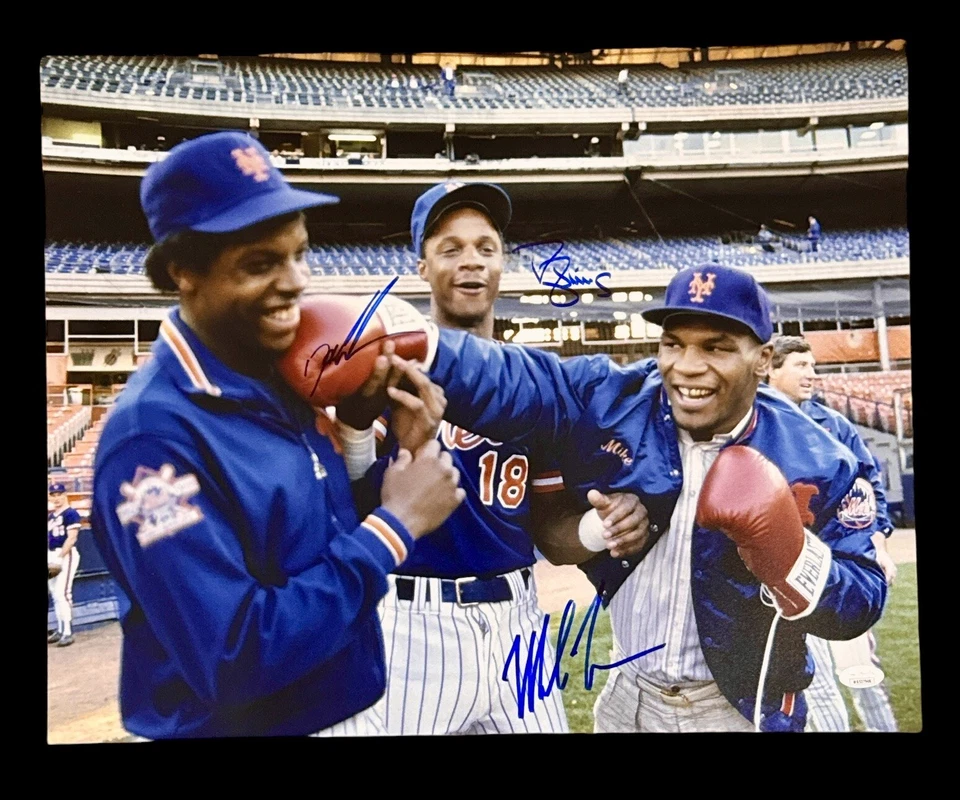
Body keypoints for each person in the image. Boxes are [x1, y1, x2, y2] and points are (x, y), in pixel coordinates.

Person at [391, 262, 887, 732]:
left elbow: (862, 599)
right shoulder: (618, 399)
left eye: (715, 348)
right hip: (628, 695)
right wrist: (420, 347)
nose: (688, 367)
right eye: (674, 344)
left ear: (761, 359)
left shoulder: (820, 456)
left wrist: (790, 560)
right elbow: (523, 379)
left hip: (737, 707)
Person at [90, 131, 466, 739]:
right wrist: (394, 529)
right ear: (184, 271)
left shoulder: (275, 373)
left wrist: (366, 437)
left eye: (299, 254)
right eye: (261, 263)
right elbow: (233, 658)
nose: (295, 282)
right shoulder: (150, 442)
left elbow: (310, 541)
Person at [359, 182, 649, 734]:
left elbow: (551, 537)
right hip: (410, 624)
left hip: (520, 621)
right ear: (421, 266)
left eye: (486, 248)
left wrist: (599, 527)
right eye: (451, 248)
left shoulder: (537, 388)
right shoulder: (387, 372)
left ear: (502, 264)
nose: (471, 262)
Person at [767, 335, 899, 732]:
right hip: (782, 572)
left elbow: (868, 484)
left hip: (839, 564)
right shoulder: (753, 423)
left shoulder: (832, 424)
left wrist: (878, 544)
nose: (812, 373)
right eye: (800, 365)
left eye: (812, 365)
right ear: (771, 369)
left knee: (861, 673)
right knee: (810, 685)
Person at [48, 482, 82, 647]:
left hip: (65, 554)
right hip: (51, 554)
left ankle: (68, 632)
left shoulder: (71, 514)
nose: (56, 498)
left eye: (59, 494)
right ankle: (61, 628)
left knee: (63, 593)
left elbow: (72, 538)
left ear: (65, 495)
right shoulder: (51, 516)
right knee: (55, 594)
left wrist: (60, 557)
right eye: (53, 495)